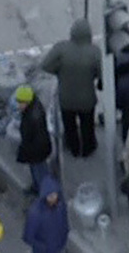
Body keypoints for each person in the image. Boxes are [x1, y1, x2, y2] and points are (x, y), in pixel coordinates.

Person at [41, 19, 104, 159]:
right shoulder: (94, 51)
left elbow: (45, 65)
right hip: (87, 98)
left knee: (69, 125)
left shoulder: (61, 48)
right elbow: (102, 74)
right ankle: (88, 148)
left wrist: (59, 71)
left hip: (66, 98)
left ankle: (73, 147)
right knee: (87, 126)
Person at [25, 170, 70, 253]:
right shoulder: (36, 213)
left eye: (54, 194)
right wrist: (44, 247)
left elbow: (64, 221)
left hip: (57, 250)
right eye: (50, 195)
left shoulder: (61, 205)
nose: (53, 198)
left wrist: (64, 236)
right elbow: (28, 237)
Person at [14, 84, 55, 169]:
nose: (19, 105)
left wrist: (22, 154)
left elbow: (27, 138)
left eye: (21, 102)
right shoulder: (35, 106)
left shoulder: (32, 118)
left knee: (38, 170)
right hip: (40, 150)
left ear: (27, 101)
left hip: (36, 153)